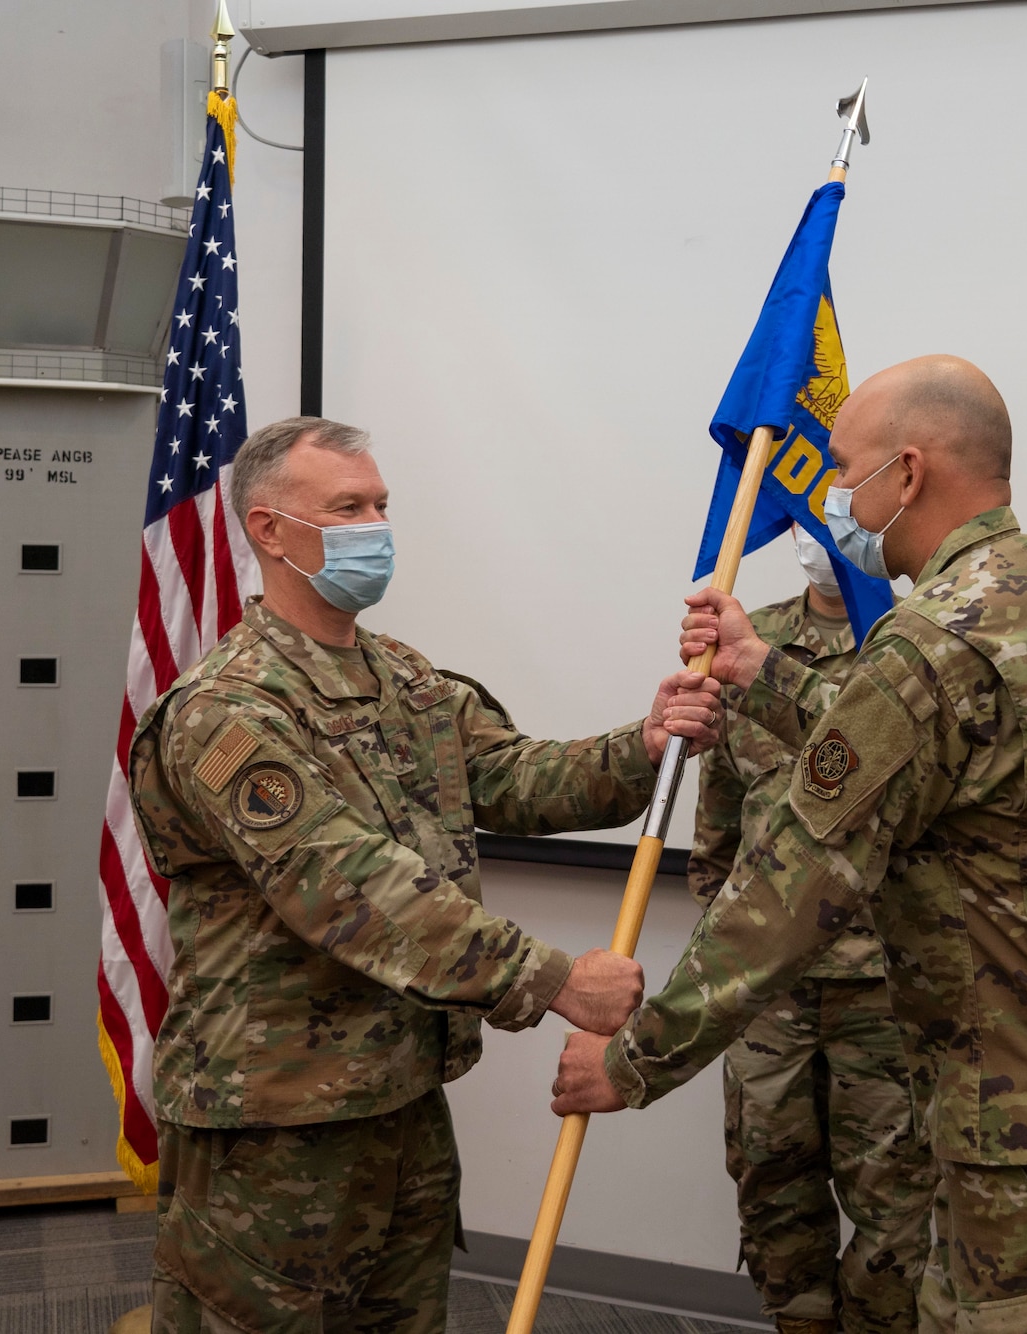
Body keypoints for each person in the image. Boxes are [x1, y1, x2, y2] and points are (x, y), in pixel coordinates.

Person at [552, 357, 1027, 1333]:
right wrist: (765, 672)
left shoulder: (930, 641)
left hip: (1023, 1109)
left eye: (842, 472)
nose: (832, 498)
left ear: (908, 470)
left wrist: (634, 1055)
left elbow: (797, 877)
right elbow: (929, 752)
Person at [128, 416, 720, 1333]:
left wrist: (639, 747)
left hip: (398, 1097)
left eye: (380, 506)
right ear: (268, 530)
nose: (374, 527)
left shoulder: (402, 679)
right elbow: (349, 888)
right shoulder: (225, 713)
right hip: (273, 1123)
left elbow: (517, 778)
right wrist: (555, 981)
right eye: (347, 508)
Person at [690, 525, 934, 1334]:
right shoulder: (743, 647)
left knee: (895, 1209)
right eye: (808, 518)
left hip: (889, 989)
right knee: (771, 1190)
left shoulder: (919, 648)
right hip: (769, 989)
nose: (824, 537)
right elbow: (719, 827)